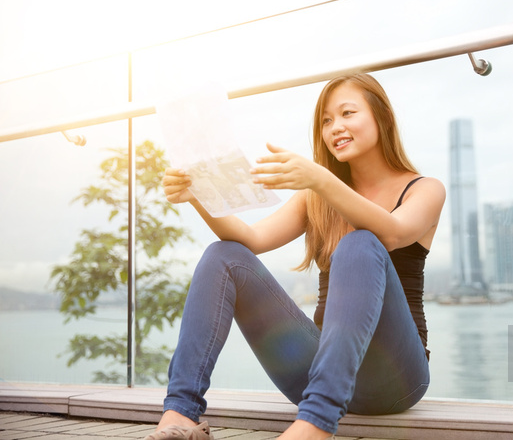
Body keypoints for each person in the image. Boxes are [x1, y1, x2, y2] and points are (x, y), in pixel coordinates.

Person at [145, 73, 446, 440]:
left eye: (347, 113)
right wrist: (198, 196)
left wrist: (319, 179)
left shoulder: (425, 189)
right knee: (223, 255)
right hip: (318, 373)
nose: (335, 127)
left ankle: (316, 426)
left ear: (381, 117)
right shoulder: (315, 197)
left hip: (396, 378)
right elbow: (249, 239)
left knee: (360, 242)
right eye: (326, 121)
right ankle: (180, 414)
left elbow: (392, 233)